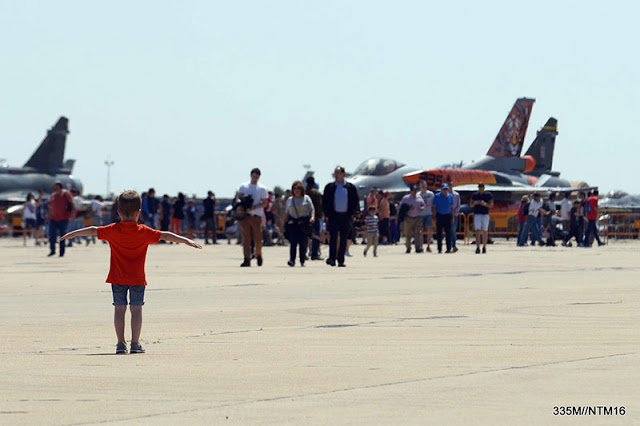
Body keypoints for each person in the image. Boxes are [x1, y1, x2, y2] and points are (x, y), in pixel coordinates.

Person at [58, 190, 201, 354]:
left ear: (118, 212)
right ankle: (134, 343)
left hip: (117, 277)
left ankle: (120, 343)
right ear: (138, 213)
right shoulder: (144, 231)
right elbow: (165, 235)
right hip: (138, 279)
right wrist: (186, 240)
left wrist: (72, 234)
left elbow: (92, 229)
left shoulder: (112, 230)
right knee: (136, 310)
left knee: (119, 310)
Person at [322, 166, 360, 267]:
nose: (336, 175)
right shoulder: (329, 187)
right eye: (335, 173)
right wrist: (327, 214)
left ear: (343, 174)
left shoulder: (350, 187)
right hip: (334, 216)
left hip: (346, 216)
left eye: (338, 173)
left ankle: (341, 260)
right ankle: (332, 259)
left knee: (344, 238)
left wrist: (355, 213)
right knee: (333, 238)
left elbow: (355, 201)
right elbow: (325, 202)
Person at [237, 168, 269, 267]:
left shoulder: (262, 188)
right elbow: (238, 197)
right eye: (254, 176)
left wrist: (255, 207)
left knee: (258, 238)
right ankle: (247, 258)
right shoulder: (244, 186)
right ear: (251, 175)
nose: (255, 178)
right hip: (245, 216)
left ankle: (258, 254)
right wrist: (241, 204)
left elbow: (265, 203)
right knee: (246, 238)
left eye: (257, 177)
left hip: (256, 215)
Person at [283, 181, 315, 267]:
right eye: (294, 188)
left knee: (303, 242)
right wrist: (284, 224)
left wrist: (312, 217)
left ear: (302, 189)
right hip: (293, 223)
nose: (296, 190)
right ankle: (292, 260)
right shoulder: (290, 200)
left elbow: (312, 209)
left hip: (303, 223)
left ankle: (302, 260)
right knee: (293, 242)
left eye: (298, 188)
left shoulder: (306, 198)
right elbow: (286, 213)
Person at [47, 181, 74, 257]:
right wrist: (48, 216)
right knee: (52, 235)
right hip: (54, 218)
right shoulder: (53, 195)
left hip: (64, 218)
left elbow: (71, 203)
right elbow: (50, 207)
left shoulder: (66, 193)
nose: (54, 188)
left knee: (63, 236)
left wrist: (72, 213)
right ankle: (52, 250)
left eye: (55, 186)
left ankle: (61, 252)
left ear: (59, 186)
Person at [399, 184, 426, 253]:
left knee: (417, 234)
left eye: (415, 190)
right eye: (413, 190)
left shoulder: (419, 197)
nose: (414, 192)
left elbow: (423, 204)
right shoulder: (406, 198)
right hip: (408, 218)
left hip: (417, 217)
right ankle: (408, 248)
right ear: (410, 191)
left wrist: (422, 208)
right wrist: (408, 208)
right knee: (408, 234)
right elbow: (401, 206)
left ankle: (418, 247)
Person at [471, 183, 494, 254]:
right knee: (477, 231)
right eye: (480, 188)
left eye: (482, 188)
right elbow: (471, 205)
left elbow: (491, 205)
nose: (481, 190)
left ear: (484, 188)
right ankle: (478, 247)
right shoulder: (475, 195)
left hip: (485, 214)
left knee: (485, 231)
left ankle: (484, 246)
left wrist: (485, 204)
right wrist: (475, 203)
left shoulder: (488, 195)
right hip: (477, 214)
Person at [432, 183, 455, 253]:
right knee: (439, 233)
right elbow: (434, 207)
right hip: (439, 215)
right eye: (443, 189)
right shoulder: (437, 196)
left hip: (447, 216)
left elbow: (452, 207)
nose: (445, 191)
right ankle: (439, 249)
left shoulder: (450, 196)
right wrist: (434, 216)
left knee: (448, 233)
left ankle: (448, 248)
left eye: (446, 189)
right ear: (441, 189)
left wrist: (452, 217)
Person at [306, 176, 324, 260]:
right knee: (315, 236)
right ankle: (314, 254)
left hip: (304, 217)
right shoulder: (316, 193)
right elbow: (319, 206)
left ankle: (303, 254)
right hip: (315, 217)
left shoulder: (303, 192)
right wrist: (320, 215)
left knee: (304, 236)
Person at [418, 180, 434, 252]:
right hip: (420, 214)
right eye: (422, 186)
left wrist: (434, 214)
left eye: (424, 186)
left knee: (429, 230)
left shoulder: (431, 194)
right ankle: (421, 246)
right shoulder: (418, 195)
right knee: (420, 231)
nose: (423, 187)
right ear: (420, 186)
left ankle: (428, 246)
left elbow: (433, 205)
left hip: (429, 213)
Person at [447, 178, 461, 253]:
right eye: (448, 185)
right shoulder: (445, 195)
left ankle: (454, 245)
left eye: (451, 185)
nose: (450, 186)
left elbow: (458, 205)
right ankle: (448, 246)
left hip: (454, 215)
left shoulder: (456, 195)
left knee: (453, 230)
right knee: (447, 230)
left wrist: (455, 211)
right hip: (446, 214)